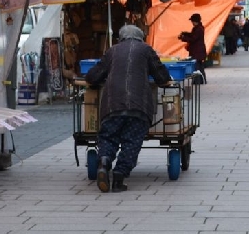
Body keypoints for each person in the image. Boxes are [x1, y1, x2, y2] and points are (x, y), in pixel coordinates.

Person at [84, 24, 171, 193]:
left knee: (109, 137)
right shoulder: (146, 50)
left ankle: (104, 162)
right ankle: (119, 177)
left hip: (112, 105)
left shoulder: (112, 51)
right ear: (141, 37)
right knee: (132, 141)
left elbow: (93, 77)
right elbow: (162, 78)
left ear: (121, 38)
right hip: (139, 106)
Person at [181, 13, 207, 83]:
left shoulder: (198, 29)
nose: (192, 23)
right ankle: (201, 80)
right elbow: (193, 35)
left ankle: (198, 81)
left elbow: (193, 38)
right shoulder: (198, 28)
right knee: (199, 66)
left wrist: (184, 38)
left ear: (195, 21)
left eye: (192, 21)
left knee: (197, 67)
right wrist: (186, 34)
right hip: (198, 51)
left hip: (197, 51)